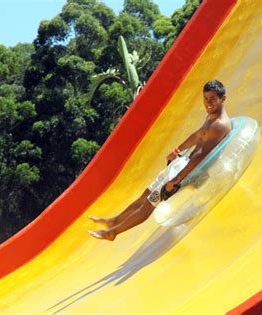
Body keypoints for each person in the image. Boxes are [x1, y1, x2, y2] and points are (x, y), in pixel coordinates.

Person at [87, 80, 232, 241]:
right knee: (145, 195)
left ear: (222, 99)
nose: (208, 102)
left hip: (188, 173)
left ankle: (113, 232)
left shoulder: (220, 125)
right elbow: (198, 135)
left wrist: (177, 179)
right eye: (205, 98)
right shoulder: (211, 117)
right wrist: (177, 150)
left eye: (212, 98)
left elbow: (200, 156)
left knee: (149, 204)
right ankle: (114, 220)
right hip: (181, 164)